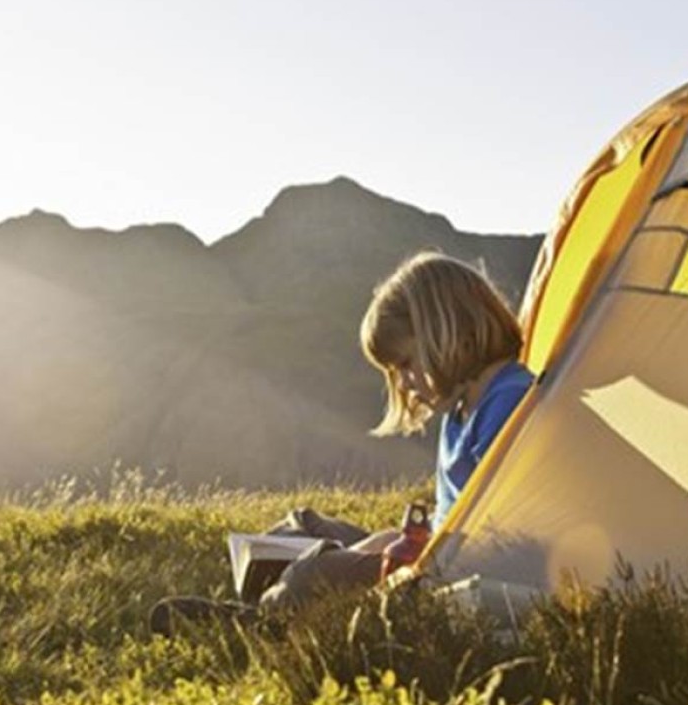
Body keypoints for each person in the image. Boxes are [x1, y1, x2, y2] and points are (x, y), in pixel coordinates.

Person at [149, 251, 533, 635]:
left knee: (314, 573)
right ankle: (274, 604)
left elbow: (501, 541)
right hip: (428, 549)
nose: (403, 385)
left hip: (444, 574)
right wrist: (383, 544)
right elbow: (446, 518)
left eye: (405, 364)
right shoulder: (461, 409)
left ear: (445, 332)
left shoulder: (508, 402)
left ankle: (264, 619)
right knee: (301, 524)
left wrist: (383, 555)